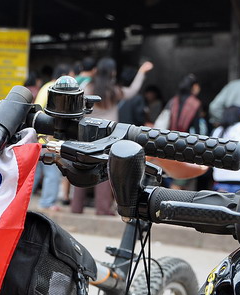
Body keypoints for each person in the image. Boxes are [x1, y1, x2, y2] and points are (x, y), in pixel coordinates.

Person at [70, 57, 126, 215]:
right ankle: (102, 208)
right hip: (108, 134)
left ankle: (76, 207)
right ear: (112, 72)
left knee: (81, 167)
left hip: (87, 132)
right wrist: (141, 73)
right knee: (104, 169)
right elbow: (131, 92)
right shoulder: (113, 90)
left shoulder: (88, 87)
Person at [33, 63, 74, 211]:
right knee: (51, 171)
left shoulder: (46, 87)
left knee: (36, 171)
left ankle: (21, 199)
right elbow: (50, 115)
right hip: (48, 138)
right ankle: (47, 202)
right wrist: (49, 137)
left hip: (39, 136)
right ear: (63, 76)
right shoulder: (55, 90)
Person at [116, 60, 155, 126]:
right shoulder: (137, 98)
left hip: (116, 127)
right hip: (130, 129)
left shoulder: (115, 93)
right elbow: (139, 118)